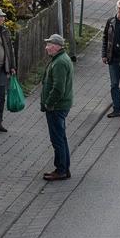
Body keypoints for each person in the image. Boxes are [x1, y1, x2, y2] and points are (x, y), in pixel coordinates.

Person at [39, 33, 73, 181]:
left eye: (49, 44)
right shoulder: (60, 59)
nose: (46, 47)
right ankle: (64, 168)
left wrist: (49, 103)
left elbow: (58, 88)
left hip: (57, 107)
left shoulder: (59, 62)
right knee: (61, 137)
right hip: (60, 105)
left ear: (57, 46)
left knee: (57, 139)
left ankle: (61, 170)